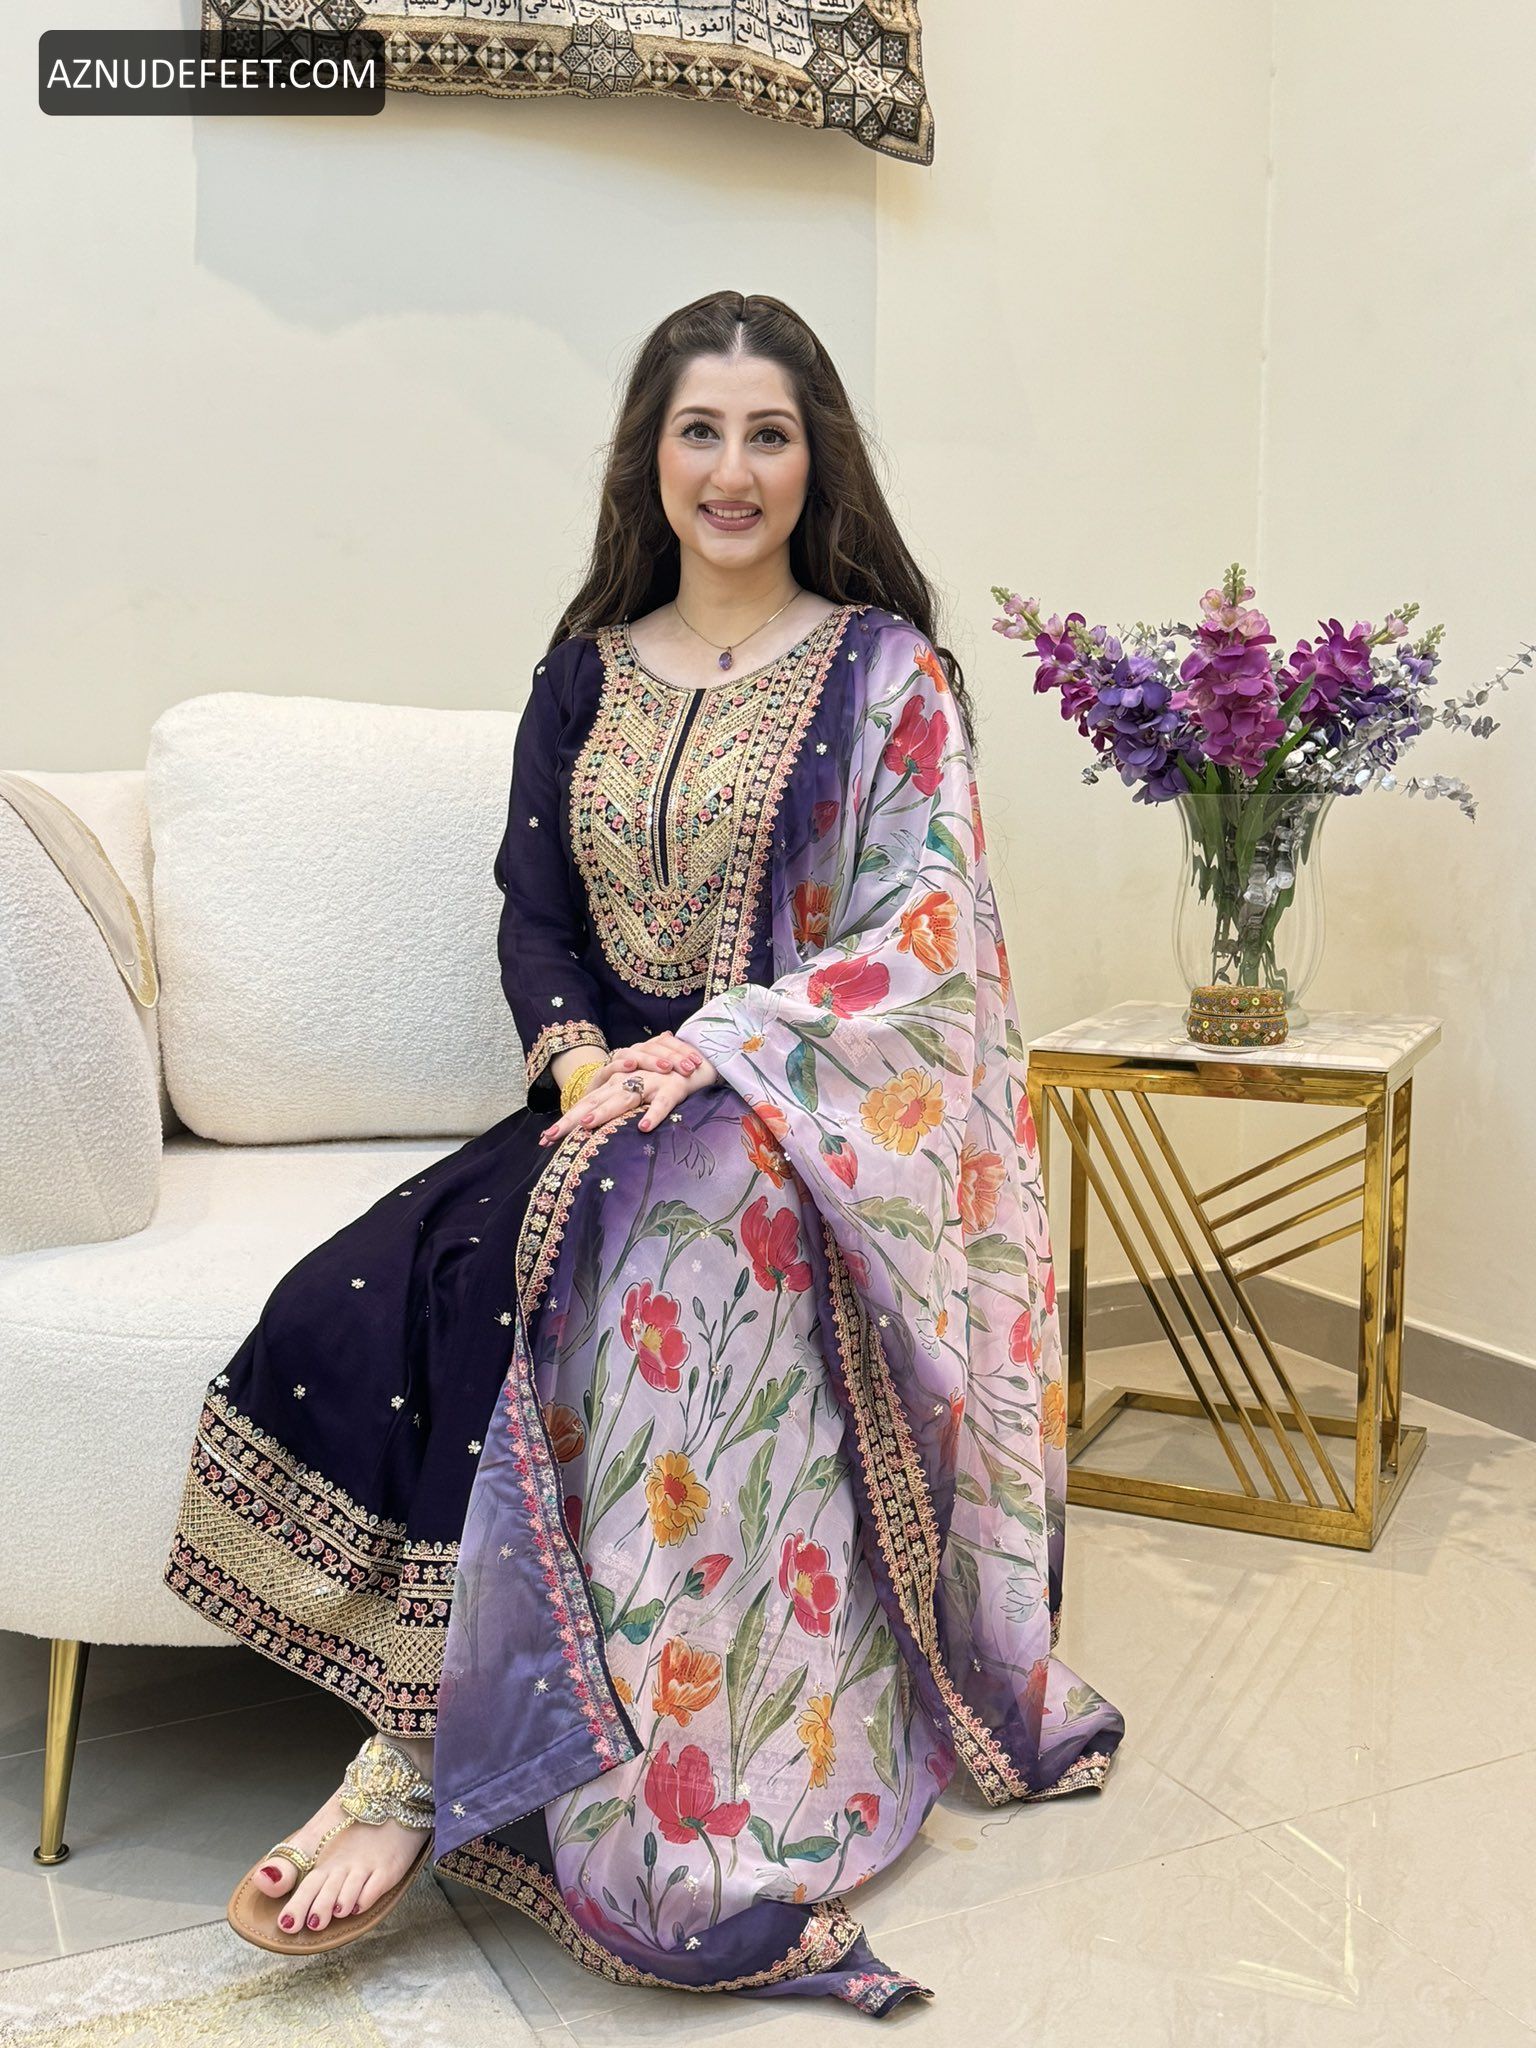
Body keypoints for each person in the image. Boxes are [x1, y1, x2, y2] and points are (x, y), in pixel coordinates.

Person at [161, 288, 1125, 2016]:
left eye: (769, 434)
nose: (733, 470)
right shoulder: (584, 672)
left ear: (815, 460)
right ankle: (422, 1727)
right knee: (413, 1265)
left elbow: (928, 939)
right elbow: (535, 912)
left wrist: (717, 1050)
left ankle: (428, 1770)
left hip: (792, 1105)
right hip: (607, 1094)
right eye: (701, 432)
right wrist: (587, 1059)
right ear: (651, 458)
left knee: (652, 1255)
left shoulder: (888, 676)